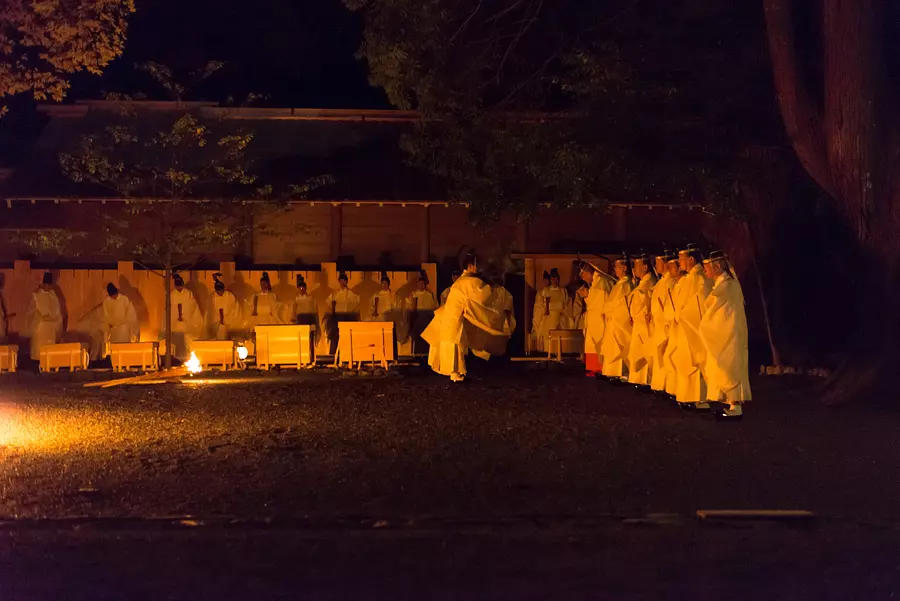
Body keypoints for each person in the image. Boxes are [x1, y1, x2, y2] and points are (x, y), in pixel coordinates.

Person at [422, 252, 508, 382]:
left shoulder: (462, 281)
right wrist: (493, 288)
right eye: (475, 266)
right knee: (456, 346)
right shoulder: (467, 281)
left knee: (457, 345)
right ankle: (455, 373)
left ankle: (457, 372)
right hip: (454, 319)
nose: (477, 269)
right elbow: (482, 295)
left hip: (450, 317)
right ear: (470, 266)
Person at [700, 250, 751, 420]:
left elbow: (714, 308)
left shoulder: (727, 286)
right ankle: (732, 405)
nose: (704, 269)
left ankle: (735, 407)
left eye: (707, 266)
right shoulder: (724, 285)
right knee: (726, 367)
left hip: (729, 336)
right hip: (727, 334)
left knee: (730, 368)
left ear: (717, 266)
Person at [671, 243, 712, 409]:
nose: (679, 262)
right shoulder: (688, 278)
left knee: (695, 361)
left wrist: (683, 314)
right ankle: (687, 396)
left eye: (682, 258)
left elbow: (700, 304)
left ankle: (700, 399)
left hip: (692, 326)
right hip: (684, 326)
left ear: (691, 259)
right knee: (685, 361)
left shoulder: (699, 278)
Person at [599, 255, 635, 380]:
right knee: (611, 348)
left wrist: (612, 313)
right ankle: (611, 372)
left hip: (618, 322)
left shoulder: (626, 284)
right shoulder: (619, 284)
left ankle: (621, 373)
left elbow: (623, 306)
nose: (615, 270)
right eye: (615, 267)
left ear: (625, 268)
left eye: (617, 267)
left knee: (619, 347)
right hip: (612, 321)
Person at [626, 252, 658, 386]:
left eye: (637, 266)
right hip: (638, 323)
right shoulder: (642, 283)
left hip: (644, 323)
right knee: (636, 352)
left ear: (645, 267)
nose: (634, 269)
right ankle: (638, 379)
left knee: (644, 353)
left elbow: (645, 303)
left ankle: (645, 380)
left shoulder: (649, 282)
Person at [649, 251, 677, 393]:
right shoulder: (662, 282)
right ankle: (660, 386)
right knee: (659, 356)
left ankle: (667, 387)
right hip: (658, 323)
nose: (656, 265)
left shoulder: (670, 282)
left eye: (658, 262)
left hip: (666, 323)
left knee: (666, 356)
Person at [579, 261, 613, 377]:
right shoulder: (595, 283)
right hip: (593, 319)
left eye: (583, 276)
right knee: (591, 343)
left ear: (589, 273)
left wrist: (586, 297)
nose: (583, 279)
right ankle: (593, 368)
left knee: (599, 342)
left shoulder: (601, 283)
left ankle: (599, 368)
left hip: (599, 320)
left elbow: (598, 305)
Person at [160, 273, 202, 362]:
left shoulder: (188, 293)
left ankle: (187, 357)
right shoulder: (171, 294)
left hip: (187, 322)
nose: (179, 288)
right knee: (175, 340)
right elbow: (168, 308)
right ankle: (176, 358)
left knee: (187, 338)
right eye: (177, 286)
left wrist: (183, 314)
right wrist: (177, 314)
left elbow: (192, 306)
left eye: (180, 286)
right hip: (174, 323)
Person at [25, 272, 63, 360]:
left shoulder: (53, 296)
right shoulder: (36, 295)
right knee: (39, 352)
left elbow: (58, 313)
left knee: (49, 355)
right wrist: (39, 318)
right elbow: (30, 313)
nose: (48, 287)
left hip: (51, 329)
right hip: (40, 327)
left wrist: (56, 325)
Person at [97, 283, 139, 360]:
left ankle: (126, 362)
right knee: (115, 349)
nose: (114, 297)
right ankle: (116, 364)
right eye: (112, 296)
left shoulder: (124, 299)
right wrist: (108, 326)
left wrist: (132, 330)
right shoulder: (106, 302)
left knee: (124, 348)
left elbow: (131, 314)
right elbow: (105, 316)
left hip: (124, 329)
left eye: (115, 295)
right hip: (113, 330)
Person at [661, 255, 684, 397]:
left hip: (681, 327)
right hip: (672, 327)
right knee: (670, 358)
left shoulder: (689, 283)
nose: (668, 269)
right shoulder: (673, 284)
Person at [533, 268, 569, 353]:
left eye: (556, 278)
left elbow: (566, 304)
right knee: (548, 337)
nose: (554, 280)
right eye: (552, 278)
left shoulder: (563, 291)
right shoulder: (545, 291)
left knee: (558, 338)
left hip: (559, 317)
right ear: (551, 279)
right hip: (549, 317)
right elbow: (541, 306)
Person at [324, 271, 360, 355]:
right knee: (335, 339)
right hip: (336, 318)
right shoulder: (335, 294)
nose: (342, 282)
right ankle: (333, 356)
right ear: (339, 281)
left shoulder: (351, 294)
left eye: (344, 280)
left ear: (346, 281)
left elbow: (356, 306)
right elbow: (329, 305)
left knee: (347, 339)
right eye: (341, 280)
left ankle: (348, 356)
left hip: (347, 319)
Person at [409, 271, 438, 354]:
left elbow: (435, 307)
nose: (421, 285)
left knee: (426, 338)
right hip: (417, 318)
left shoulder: (430, 295)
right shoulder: (413, 294)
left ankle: (426, 355)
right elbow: (409, 306)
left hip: (426, 319)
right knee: (417, 337)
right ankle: (417, 354)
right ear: (417, 284)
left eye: (423, 283)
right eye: (420, 283)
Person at [209, 273, 241, 340]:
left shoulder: (230, 296)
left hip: (229, 320)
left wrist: (225, 318)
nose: (219, 293)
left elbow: (234, 308)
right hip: (218, 322)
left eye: (220, 291)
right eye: (217, 291)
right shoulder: (213, 297)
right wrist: (219, 318)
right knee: (219, 335)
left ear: (223, 289)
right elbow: (211, 310)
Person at [530, 271, 551, 352]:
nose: (545, 282)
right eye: (544, 280)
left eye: (547, 280)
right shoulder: (539, 292)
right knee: (540, 335)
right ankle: (541, 352)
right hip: (540, 316)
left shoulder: (552, 291)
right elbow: (537, 306)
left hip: (549, 317)